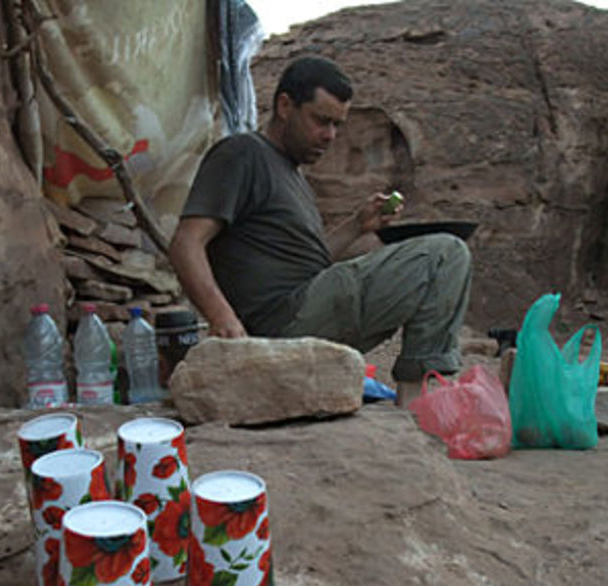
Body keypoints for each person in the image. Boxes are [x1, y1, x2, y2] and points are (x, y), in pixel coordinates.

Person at [168, 56, 472, 405]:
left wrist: (358, 225)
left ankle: (416, 401)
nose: (330, 136)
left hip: (303, 307)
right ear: (285, 105)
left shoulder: (293, 176)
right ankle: (417, 401)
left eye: (337, 125)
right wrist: (223, 319)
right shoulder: (242, 153)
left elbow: (309, 263)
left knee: (441, 257)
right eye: (321, 121)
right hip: (281, 321)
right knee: (445, 254)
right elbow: (186, 242)